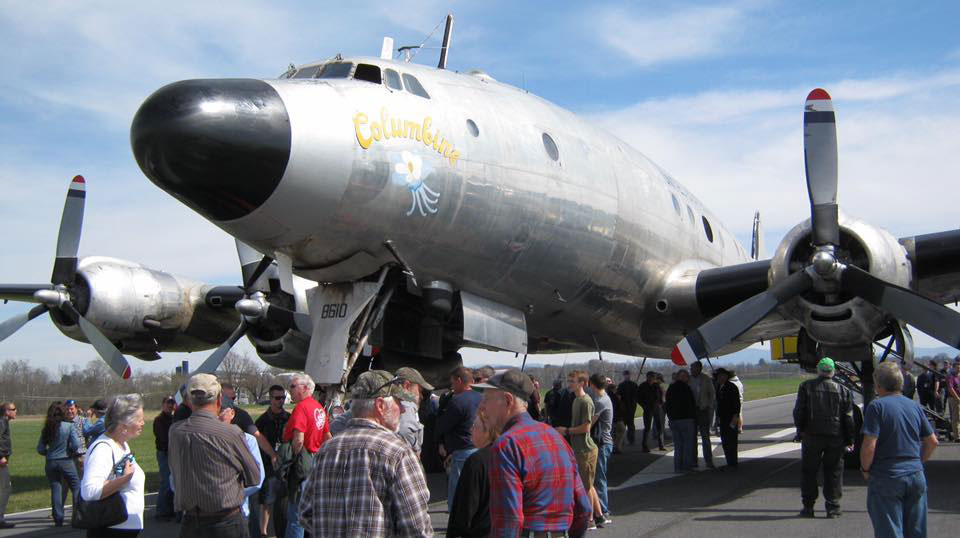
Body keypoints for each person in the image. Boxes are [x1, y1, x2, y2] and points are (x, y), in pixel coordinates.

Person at [298, 370, 433, 537]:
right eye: (398, 402)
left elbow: (305, 513)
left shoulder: (325, 451)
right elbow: (417, 528)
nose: (403, 410)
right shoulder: (398, 453)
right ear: (381, 405)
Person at [475, 368, 591, 537]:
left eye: (486, 399)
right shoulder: (556, 436)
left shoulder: (506, 445)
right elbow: (584, 510)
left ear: (507, 400)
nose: (482, 406)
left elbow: (509, 520)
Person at [169, 373, 261, 538]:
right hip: (225, 522)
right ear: (219, 400)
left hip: (190, 521)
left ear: (189, 402)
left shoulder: (175, 432)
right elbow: (254, 476)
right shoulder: (231, 432)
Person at [860, 362, 939, 537]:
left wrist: (865, 469)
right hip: (915, 474)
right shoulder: (914, 406)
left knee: (890, 531)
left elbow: (869, 445)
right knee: (917, 531)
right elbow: (932, 441)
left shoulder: (877, 406)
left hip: (887, 476)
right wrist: (918, 462)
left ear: (878, 385)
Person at [793, 357, 856, 518]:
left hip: (812, 436)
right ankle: (833, 507)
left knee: (809, 472)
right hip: (835, 437)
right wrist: (850, 440)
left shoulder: (806, 387)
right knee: (834, 472)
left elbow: (799, 411)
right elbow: (848, 418)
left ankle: (808, 507)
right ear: (833, 371)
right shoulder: (843, 390)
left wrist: (800, 431)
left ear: (818, 370)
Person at [81, 394, 147, 537]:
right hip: (110, 530)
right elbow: (89, 492)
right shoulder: (103, 449)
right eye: (140, 419)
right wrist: (124, 479)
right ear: (124, 425)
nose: (143, 423)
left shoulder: (122, 445)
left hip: (124, 527)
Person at [282, 372, 330, 538]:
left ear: (304, 388)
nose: (290, 390)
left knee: (296, 515)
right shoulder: (319, 408)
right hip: (316, 462)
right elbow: (327, 437)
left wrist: (292, 460)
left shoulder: (302, 407)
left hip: (303, 463)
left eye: (293, 386)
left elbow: (298, 439)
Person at [554, 370, 604, 530]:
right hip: (578, 448)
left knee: (585, 486)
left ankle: (589, 520)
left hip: (586, 449)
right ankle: (599, 516)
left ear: (582, 383)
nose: (569, 383)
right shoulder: (576, 400)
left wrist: (566, 431)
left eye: (572, 381)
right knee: (588, 484)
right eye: (569, 380)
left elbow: (586, 427)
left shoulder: (585, 401)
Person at [436, 366, 483, 513]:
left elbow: (443, 425)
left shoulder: (457, 401)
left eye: (453, 383)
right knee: (475, 487)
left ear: (459, 380)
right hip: (479, 449)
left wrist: (440, 442)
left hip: (462, 450)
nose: (452, 386)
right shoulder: (480, 398)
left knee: (457, 490)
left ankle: (455, 519)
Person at [447, 410, 500, 538]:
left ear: (487, 432)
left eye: (475, 427)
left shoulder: (476, 461)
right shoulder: (504, 454)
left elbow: (465, 508)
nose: (470, 430)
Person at [217, 404, 264, 536]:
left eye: (221, 412)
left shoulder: (248, 441)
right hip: (203, 514)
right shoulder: (198, 438)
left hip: (236, 511)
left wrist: (232, 495)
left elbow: (258, 479)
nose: (216, 416)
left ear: (232, 414)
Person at [254, 384, 291, 538]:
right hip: (269, 465)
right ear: (270, 399)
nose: (281, 401)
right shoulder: (262, 421)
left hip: (286, 465)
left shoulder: (289, 418)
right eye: (277, 398)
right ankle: (263, 532)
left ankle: (282, 530)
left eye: (283, 397)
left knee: (284, 500)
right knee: (266, 500)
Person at [36, 402, 81, 527]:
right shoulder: (68, 426)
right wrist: (70, 451)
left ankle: (58, 518)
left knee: (56, 487)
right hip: (65, 459)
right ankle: (77, 516)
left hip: (51, 461)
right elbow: (76, 444)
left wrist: (48, 453)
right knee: (76, 486)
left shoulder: (47, 428)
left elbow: (40, 448)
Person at [589, 373, 614, 524]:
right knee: (599, 477)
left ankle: (603, 509)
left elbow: (589, 423)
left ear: (592, 384)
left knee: (599, 478)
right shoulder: (603, 398)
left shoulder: (600, 402)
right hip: (604, 441)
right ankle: (601, 508)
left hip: (602, 443)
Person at [396, 366, 435, 456]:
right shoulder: (407, 405)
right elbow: (405, 430)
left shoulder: (391, 402)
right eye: (419, 390)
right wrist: (415, 450)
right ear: (407, 386)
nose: (420, 396)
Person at [665, 369, 697, 472]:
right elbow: (691, 404)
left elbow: (667, 404)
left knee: (678, 445)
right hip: (686, 419)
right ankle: (686, 466)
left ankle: (678, 467)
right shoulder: (686, 388)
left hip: (674, 420)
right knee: (687, 444)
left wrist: (670, 417)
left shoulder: (671, 388)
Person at [152, 396, 176, 521]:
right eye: (168, 403)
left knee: (172, 482)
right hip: (164, 453)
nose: (170, 405)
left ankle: (170, 508)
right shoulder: (159, 420)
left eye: (172, 403)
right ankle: (161, 510)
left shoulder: (173, 419)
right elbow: (163, 438)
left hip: (172, 453)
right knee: (166, 482)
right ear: (163, 404)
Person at [688, 361, 717, 469]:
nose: (692, 370)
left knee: (705, 437)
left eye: (694, 368)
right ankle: (693, 461)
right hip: (691, 411)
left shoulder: (706, 379)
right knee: (692, 437)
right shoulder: (688, 379)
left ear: (699, 368)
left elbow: (712, 394)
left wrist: (709, 406)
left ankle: (708, 460)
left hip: (703, 410)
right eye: (691, 368)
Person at [715, 368, 741, 468]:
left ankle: (733, 462)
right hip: (722, 417)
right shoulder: (718, 387)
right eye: (718, 376)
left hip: (731, 417)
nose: (720, 377)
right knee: (725, 440)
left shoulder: (732, 387)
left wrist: (735, 416)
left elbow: (736, 403)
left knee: (732, 440)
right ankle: (729, 461)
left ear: (726, 376)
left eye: (722, 375)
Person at [637, 371, 665, 452]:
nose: (652, 379)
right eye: (651, 377)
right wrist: (643, 406)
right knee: (647, 428)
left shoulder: (657, 386)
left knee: (659, 427)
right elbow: (638, 397)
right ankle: (644, 446)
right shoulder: (642, 386)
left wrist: (660, 403)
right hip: (647, 408)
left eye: (653, 377)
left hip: (657, 408)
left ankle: (661, 445)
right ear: (647, 377)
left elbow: (661, 395)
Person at [0, 402, 16, 529]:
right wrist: (1, 456)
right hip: (1, 461)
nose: (16, 411)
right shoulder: (1, 422)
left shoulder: (4, 422)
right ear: (6, 411)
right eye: (14, 409)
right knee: (6, 488)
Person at [617, 371, 639, 445]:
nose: (627, 376)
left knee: (629, 424)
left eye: (627, 375)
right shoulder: (623, 385)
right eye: (626, 375)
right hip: (627, 406)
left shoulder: (624, 385)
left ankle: (628, 439)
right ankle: (627, 440)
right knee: (627, 424)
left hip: (629, 406)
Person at [607, 382, 627, 454]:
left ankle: (614, 446)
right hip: (617, 417)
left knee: (614, 432)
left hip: (613, 416)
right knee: (622, 430)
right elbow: (619, 406)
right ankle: (616, 446)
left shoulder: (608, 396)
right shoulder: (614, 396)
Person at [947, 363, 960, 441]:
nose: (959, 369)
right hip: (955, 399)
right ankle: (957, 436)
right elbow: (950, 388)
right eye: (957, 368)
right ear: (954, 368)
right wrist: (957, 398)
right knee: (956, 418)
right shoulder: (951, 377)